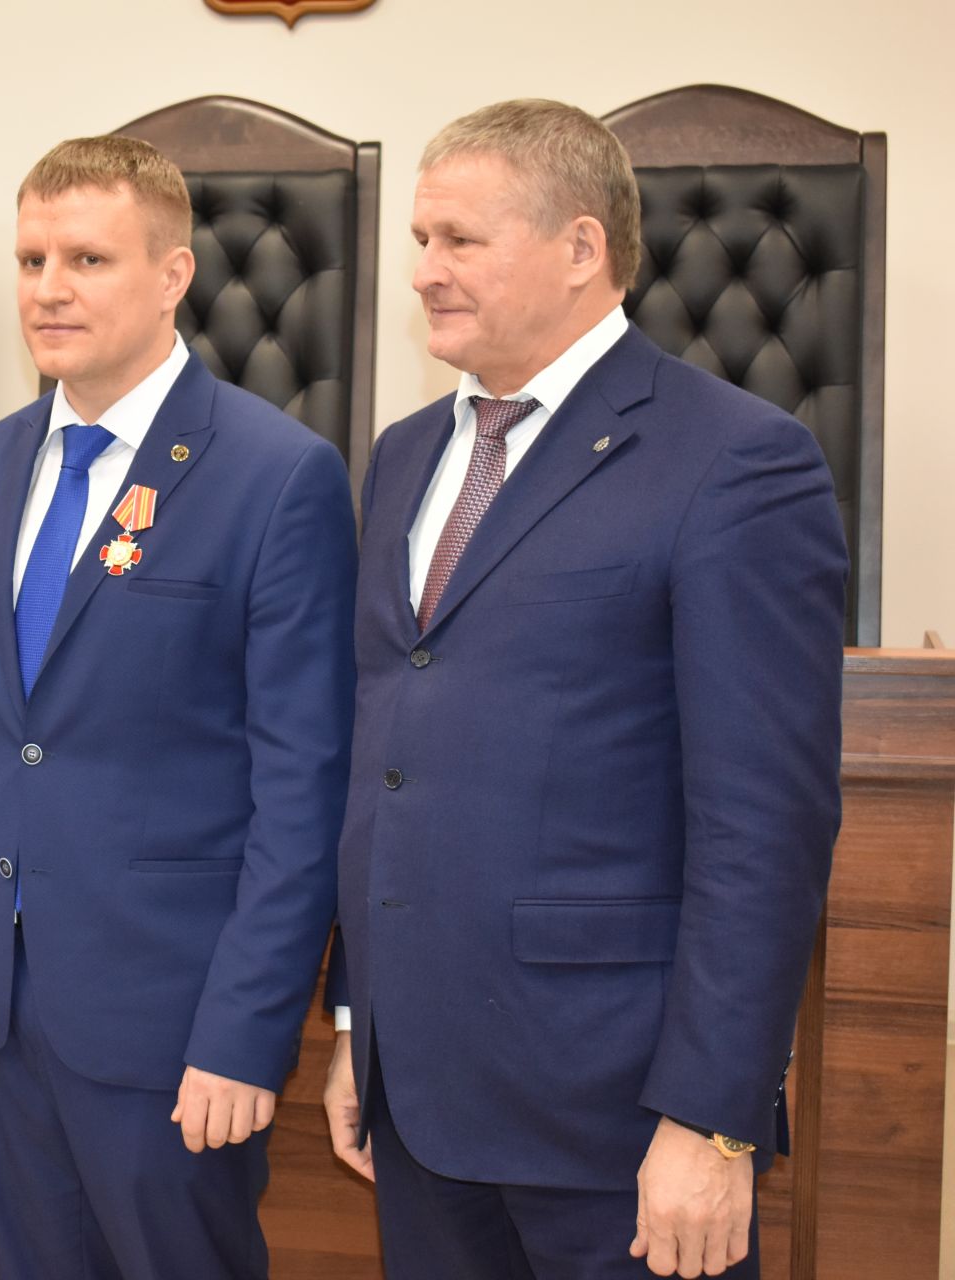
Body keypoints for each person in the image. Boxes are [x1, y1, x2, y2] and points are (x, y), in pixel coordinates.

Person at [321, 99, 847, 1280]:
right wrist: (361, 1021)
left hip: (617, 1110)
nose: (424, 272)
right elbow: (383, 750)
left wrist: (713, 1115)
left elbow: (763, 822)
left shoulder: (737, 460)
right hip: (421, 1092)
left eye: (461, 240)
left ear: (580, 248)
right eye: (420, 239)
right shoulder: (406, 453)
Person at [0, 135, 356, 1280]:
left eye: (88, 258)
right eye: (33, 258)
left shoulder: (275, 473)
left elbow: (302, 790)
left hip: (172, 1016)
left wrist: (248, 1031)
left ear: (172, 275)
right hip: (5, 1000)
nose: (49, 288)